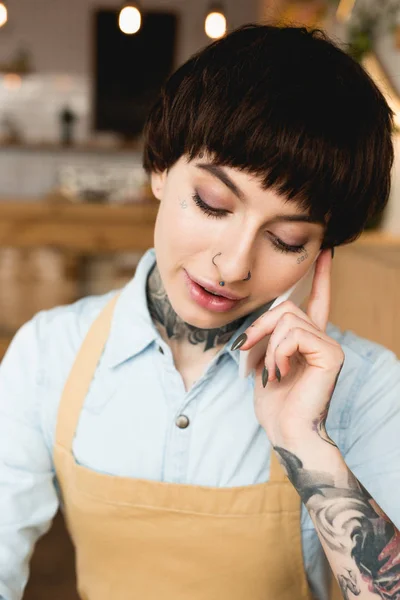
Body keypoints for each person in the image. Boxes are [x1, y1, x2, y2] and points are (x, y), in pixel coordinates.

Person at [0, 23, 399, 600]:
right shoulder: (48, 354)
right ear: (160, 169)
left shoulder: (367, 386)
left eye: (286, 239)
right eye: (213, 204)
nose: (233, 264)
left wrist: (306, 445)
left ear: (321, 251)